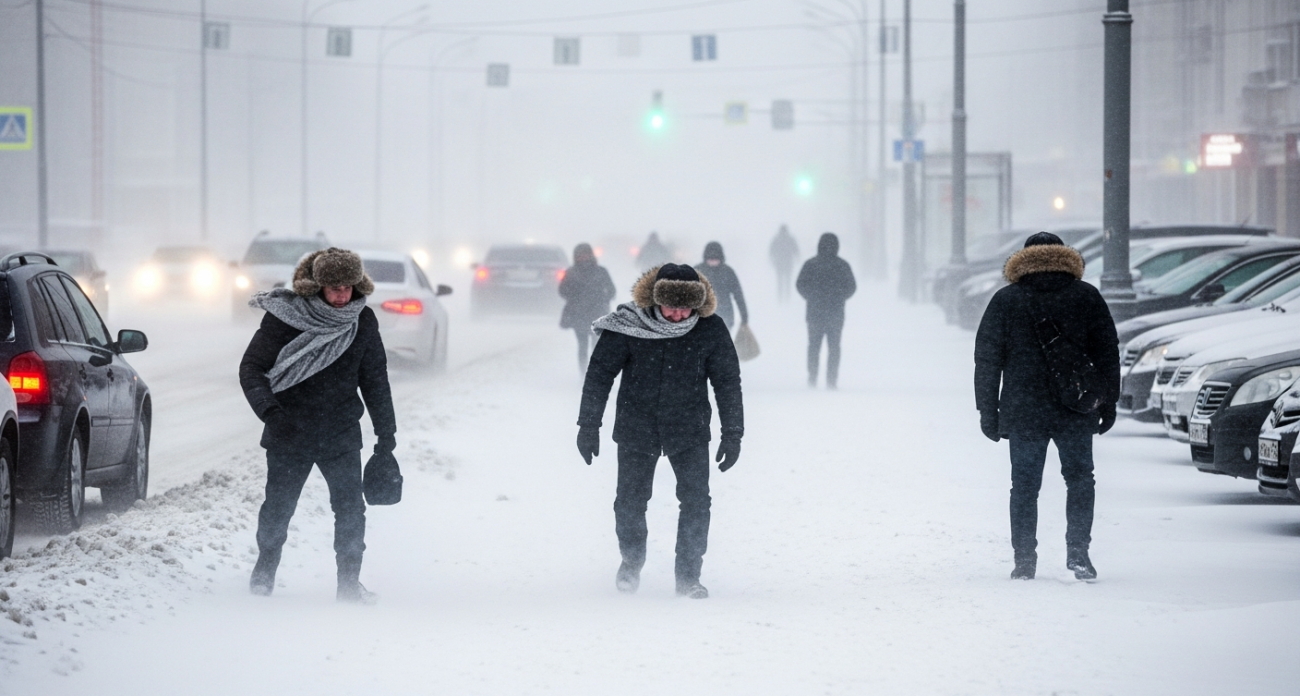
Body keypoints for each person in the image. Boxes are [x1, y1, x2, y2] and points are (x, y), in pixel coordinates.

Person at [576, 264, 744, 599]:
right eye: (672, 306)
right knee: (630, 502)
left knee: (697, 502)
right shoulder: (628, 325)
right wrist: (588, 425)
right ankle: (631, 561)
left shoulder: (709, 329)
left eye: (687, 307)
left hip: (689, 428)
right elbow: (599, 376)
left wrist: (733, 433)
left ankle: (689, 577)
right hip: (637, 427)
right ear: (655, 300)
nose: (680, 315)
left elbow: (727, 383)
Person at [239, 247, 397, 604]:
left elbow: (375, 381)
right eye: (334, 287)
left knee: (351, 510)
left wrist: (386, 436)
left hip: (340, 433)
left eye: (348, 287)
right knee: (278, 507)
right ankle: (264, 571)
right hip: (288, 430)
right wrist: (271, 414)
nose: (342, 295)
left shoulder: (362, 321)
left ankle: (348, 584)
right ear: (317, 287)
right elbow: (251, 369)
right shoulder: (286, 318)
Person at [974, 232, 1119, 581]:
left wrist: (987, 409)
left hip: (1025, 408)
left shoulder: (1006, 300)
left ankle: (1024, 559)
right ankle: (1078, 553)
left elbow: (987, 360)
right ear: (1064, 256)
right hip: (1076, 407)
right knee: (1081, 479)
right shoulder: (1086, 297)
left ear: (1023, 260)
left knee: (1024, 486)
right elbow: (1107, 352)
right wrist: (1109, 401)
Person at [796, 232, 857, 389]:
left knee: (814, 346)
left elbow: (800, 284)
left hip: (814, 313)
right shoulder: (842, 265)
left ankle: (812, 377)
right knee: (834, 347)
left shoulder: (810, 264)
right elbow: (852, 287)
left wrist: (810, 296)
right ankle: (831, 379)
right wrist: (840, 296)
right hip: (836, 313)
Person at [559, 243, 617, 371]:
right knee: (582, 345)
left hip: (597, 314)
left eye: (585, 254)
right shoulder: (571, 272)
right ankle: (584, 374)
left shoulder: (601, 271)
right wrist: (574, 297)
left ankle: (594, 374)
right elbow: (562, 290)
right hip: (578, 315)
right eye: (580, 255)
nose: (583, 258)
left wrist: (603, 300)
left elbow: (611, 290)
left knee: (597, 347)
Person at [694, 241, 749, 330]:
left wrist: (744, 316)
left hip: (725, 317)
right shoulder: (697, 271)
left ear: (721, 258)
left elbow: (738, 295)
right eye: (710, 259)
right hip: (701, 317)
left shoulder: (728, 272)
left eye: (715, 259)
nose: (713, 262)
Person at [769, 225, 800, 301]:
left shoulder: (777, 239)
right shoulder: (790, 239)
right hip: (787, 263)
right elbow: (796, 250)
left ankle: (781, 298)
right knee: (787, 281)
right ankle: (786, 298)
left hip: (780, 263)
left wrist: (771, 259)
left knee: (780, 282)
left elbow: (771, 251)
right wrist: (797, 257)